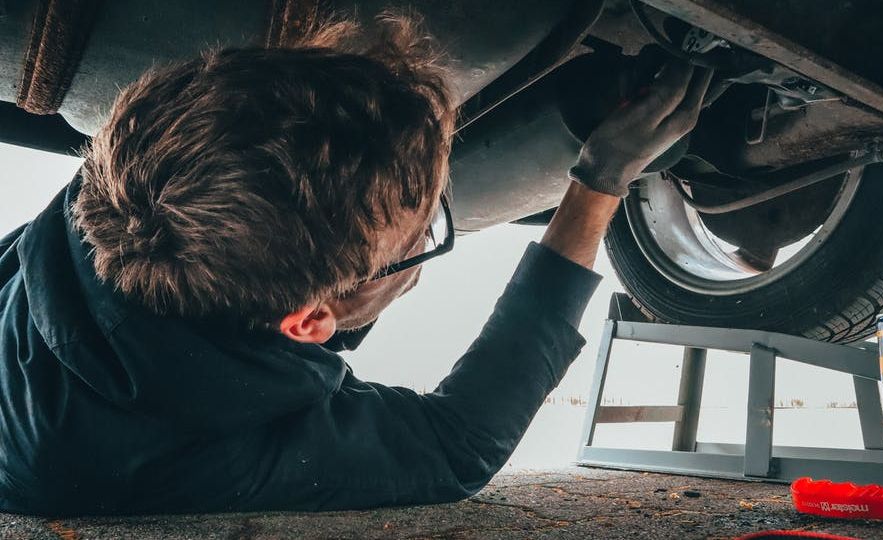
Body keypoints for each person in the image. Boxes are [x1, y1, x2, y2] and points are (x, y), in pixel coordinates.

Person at [0, 14, 711, 515]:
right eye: (420, 238)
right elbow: (458, 445)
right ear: (308, 321)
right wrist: (598, 184)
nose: (423, 248)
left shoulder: (139, 177)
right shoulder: (183, 451)